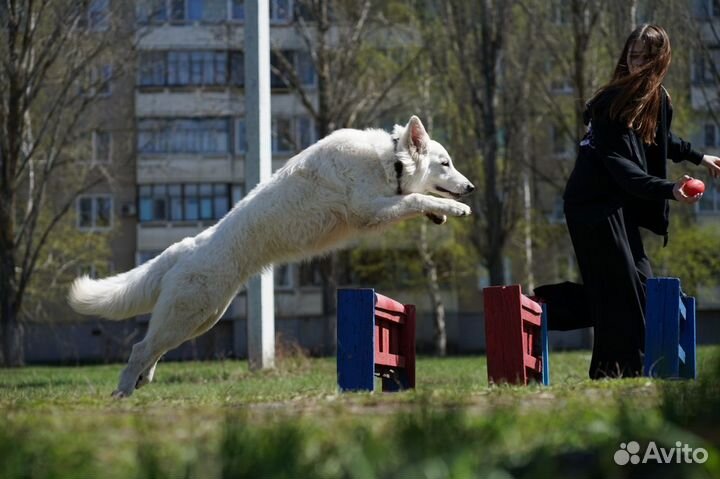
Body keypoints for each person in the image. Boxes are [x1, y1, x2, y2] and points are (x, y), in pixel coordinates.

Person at [534, 24, 720, 379]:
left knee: (640, 286)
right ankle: (614, 367)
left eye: (645, 57)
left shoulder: (657, 98)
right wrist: (668, 190)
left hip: (617, 205)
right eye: (632, 55)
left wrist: (700, 157)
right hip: (590, 206)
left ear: (660, 59)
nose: (637, 64)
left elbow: (661, 138)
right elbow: (624, 170)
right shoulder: (610, 105)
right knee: (619, 290)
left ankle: (539, 309)